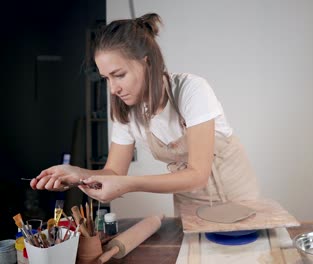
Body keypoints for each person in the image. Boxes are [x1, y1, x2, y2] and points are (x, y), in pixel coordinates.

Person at [30, 13, 260, 211]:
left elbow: (198, 173)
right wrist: (76, 174)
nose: (113, 88)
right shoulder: (126, 113)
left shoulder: (191, 90)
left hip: (237, 196)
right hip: (190, 205)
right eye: (106, 78)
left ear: (147, 63)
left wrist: (131, 184)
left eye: (119, 75)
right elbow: (114, 172)